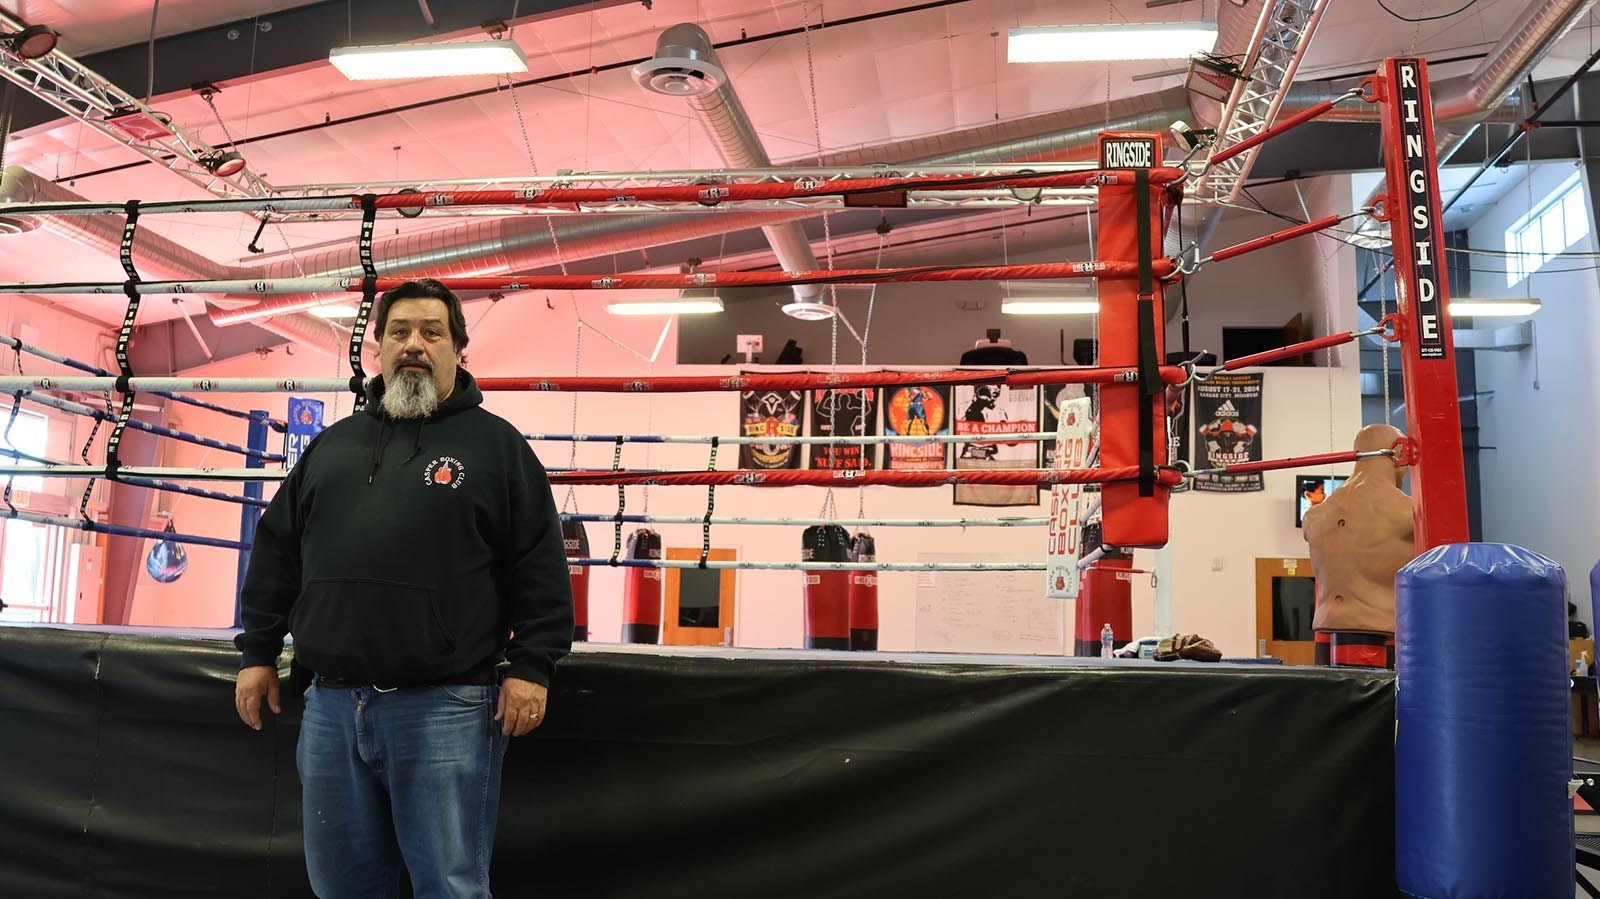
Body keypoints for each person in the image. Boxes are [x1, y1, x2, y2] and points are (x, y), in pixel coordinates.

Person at [234, 278, 574, 898]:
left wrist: (534, 664)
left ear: (457, 350)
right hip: (333, 708)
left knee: (449, 886)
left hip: (445, 708)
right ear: (379, 348)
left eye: (431, 333)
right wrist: (258, 652)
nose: (414, 345)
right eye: (399, 332)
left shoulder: (497, 449)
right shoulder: (332, 447)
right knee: (341, 888)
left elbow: (540, 566)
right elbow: (277, 550)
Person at [1301, 423, 1413, 669]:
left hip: (1326, 635)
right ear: (1400, 454)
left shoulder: (1314, 517)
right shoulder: (1410, 514)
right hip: (1385, 635)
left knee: (1333, 707)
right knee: (1387, 709)